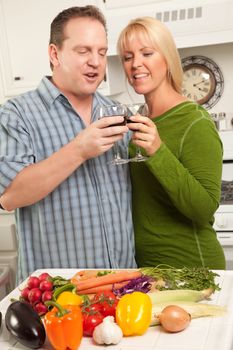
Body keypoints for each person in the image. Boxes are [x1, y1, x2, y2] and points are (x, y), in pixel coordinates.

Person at [0, 5, 137, 282]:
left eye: (101, 51)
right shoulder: (17, 113)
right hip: (57, 295)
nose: (96, 62)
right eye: (83, 51)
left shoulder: (117, 111)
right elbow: (10, 196)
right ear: (55, 54)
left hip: (122, 286)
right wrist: (79, 150)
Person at [117, 16, 226, 269]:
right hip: (146, 268)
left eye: (147, 53)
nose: (136, 64)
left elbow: (204, 208)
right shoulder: (139, 120)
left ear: (167, 58)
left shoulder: (195, 121)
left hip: (191, 268)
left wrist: (158, 151)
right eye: (128, 57)